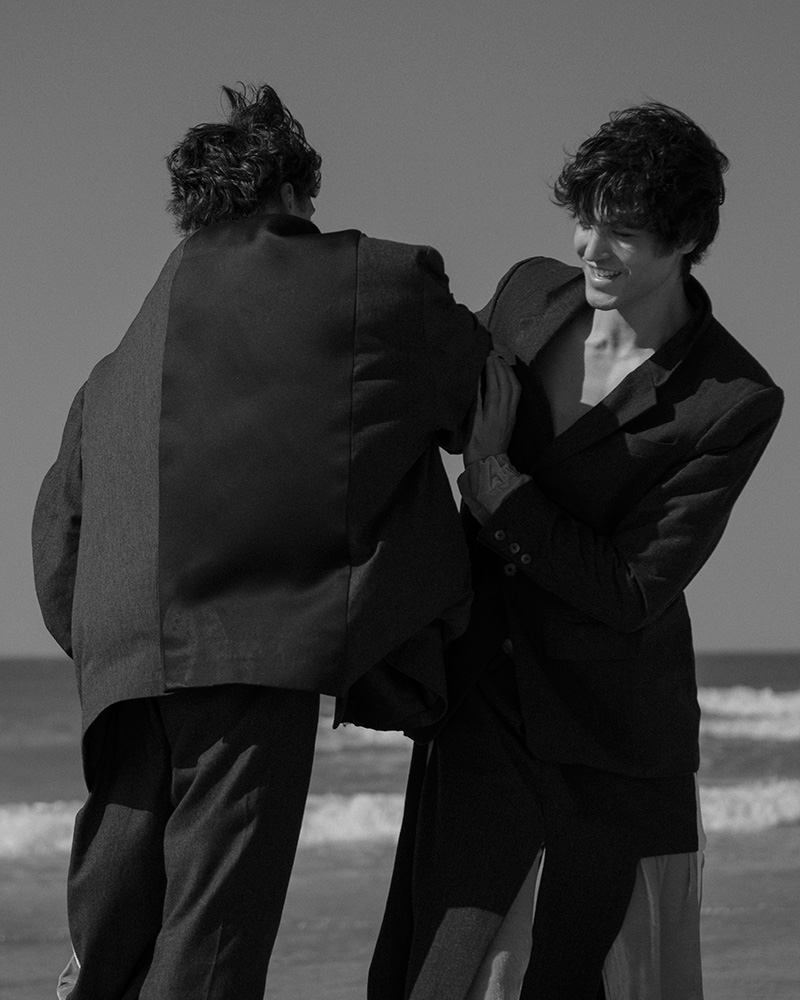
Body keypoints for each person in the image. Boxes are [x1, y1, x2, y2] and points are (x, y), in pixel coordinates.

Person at [32, 83, 489, 1000]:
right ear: (288, 193)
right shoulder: (379, 282)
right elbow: (473, 395)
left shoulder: (110, 374)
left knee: (113, 927)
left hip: (119, 657)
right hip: (249, 642)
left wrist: (115, 644)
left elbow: (59, 545)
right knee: (212, 935)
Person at [369, 103, 784, 999]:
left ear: (685, 240)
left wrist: (494, 479)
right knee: (443, 970)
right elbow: (420, 398)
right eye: (585, 218)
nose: (591, 248)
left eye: (622, 231)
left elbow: (632, 588)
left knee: (589, 977)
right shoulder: (528, 294)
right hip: (478, 696)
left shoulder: (733, 399)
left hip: (610, 734)